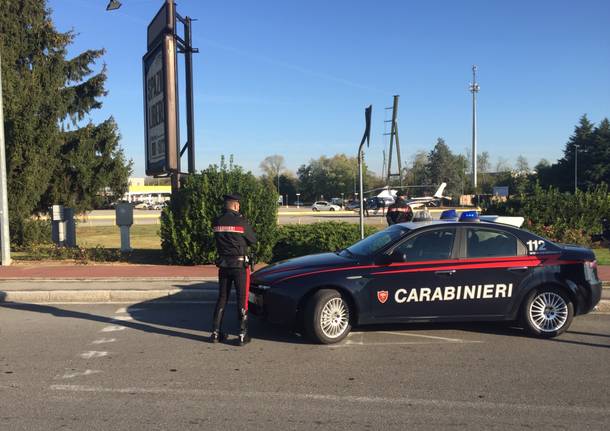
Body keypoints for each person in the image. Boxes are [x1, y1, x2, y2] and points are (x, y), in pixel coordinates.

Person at [210, 193, 257, 346]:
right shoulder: (241, 221)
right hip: (239, 266)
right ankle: (242, 334)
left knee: (222, 298)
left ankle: (215, 333)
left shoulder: (216, 221)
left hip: (223, 265)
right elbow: (253, 240)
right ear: (236, 205)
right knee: (241, 298)